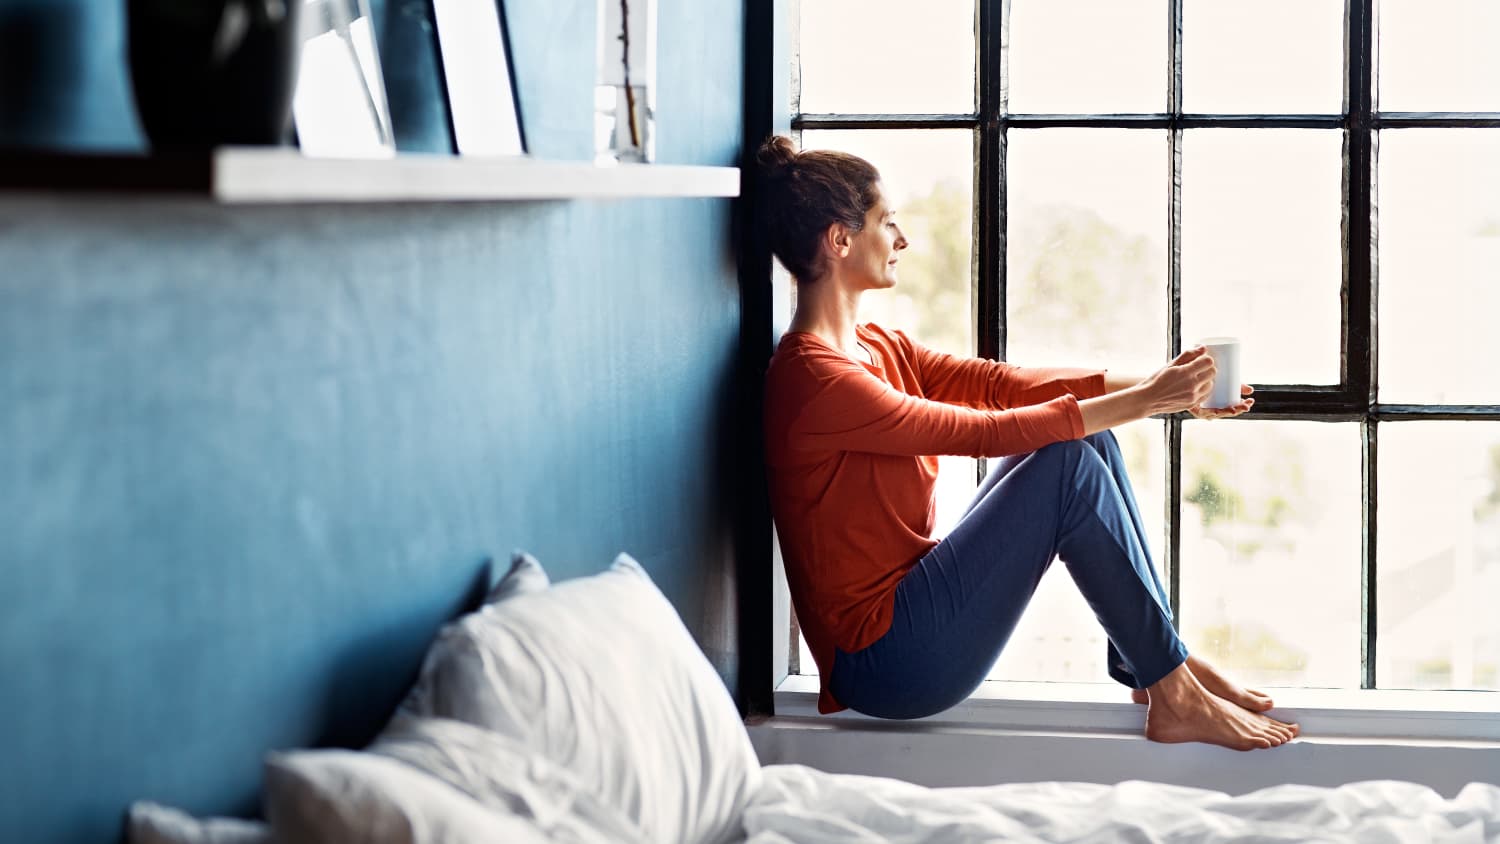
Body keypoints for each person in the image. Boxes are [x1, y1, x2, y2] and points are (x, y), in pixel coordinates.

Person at [757, 135, 1299, 751]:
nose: (902, 239)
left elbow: (1001, 386)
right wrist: (1152, 400)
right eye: (888, 221)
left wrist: (1167, 385)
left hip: (913, 615)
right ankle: (1171, 688)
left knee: (1090, 446)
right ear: (840, 240)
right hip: (887, 663)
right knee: (1068, 459)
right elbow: (982, 432)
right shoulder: (815, 379)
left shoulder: (877, 346)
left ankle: (1153, 667)